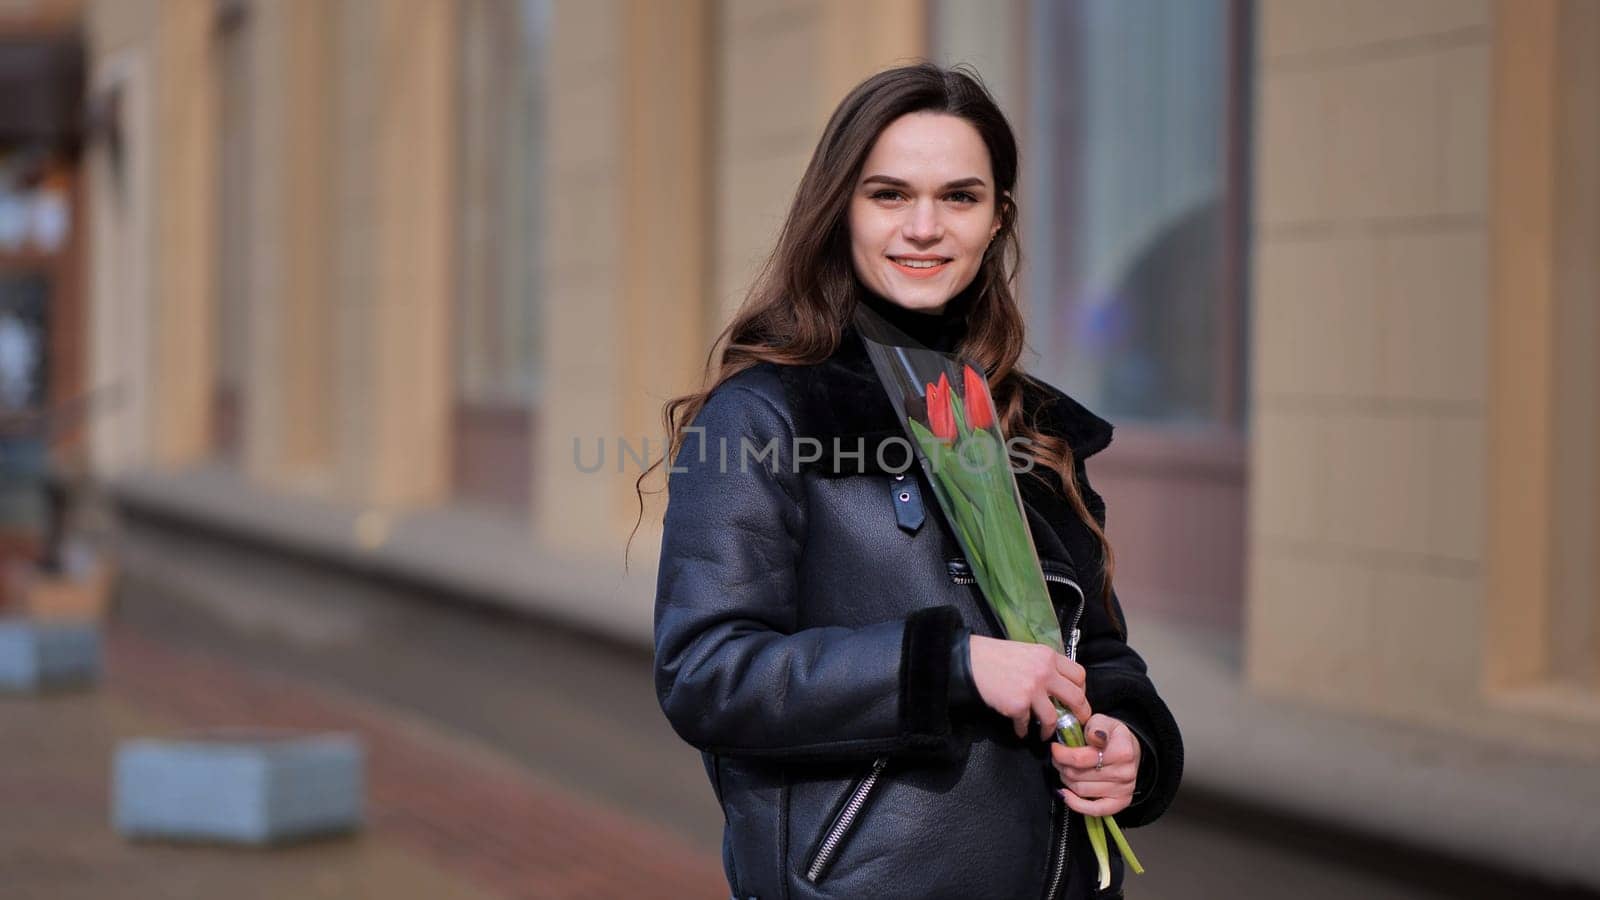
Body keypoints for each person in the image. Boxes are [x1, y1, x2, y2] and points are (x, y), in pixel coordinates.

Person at [644, 63, 1183, 900]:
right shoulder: (768, 414)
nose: (924, 227)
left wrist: (1130, 744)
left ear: (997, 217)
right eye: (889, 194)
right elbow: (707, 673)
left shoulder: (1029, 425)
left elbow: (1097, 650)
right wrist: (952, 666)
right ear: (839, 209)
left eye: (959, 197)